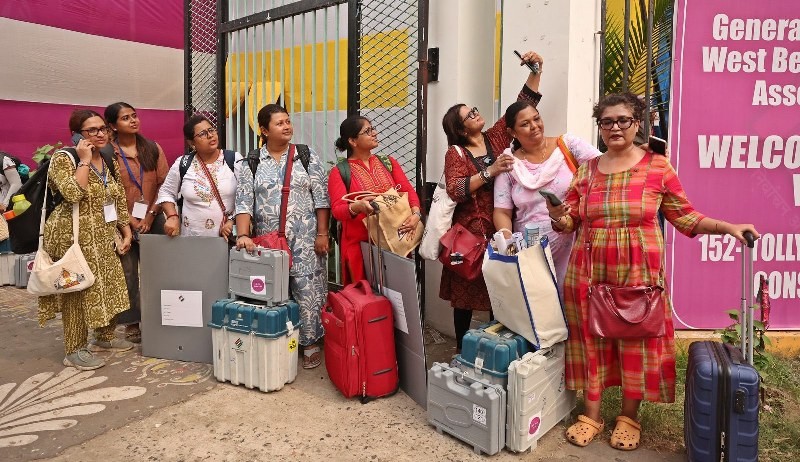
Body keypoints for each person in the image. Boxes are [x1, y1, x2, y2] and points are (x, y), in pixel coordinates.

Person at [547, 92, 760, 451]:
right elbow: (569, 221)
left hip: (637, 274)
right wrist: (559, 216)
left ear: (637, 123)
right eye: (607, 122)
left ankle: (629, 416)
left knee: (635, 342)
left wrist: (728, 227)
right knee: (591, 341)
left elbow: (685, 216)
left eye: (623, 120)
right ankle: (592, 413)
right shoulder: (586, 171)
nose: (614, 127)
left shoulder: (657, 167)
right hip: (588, 274)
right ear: (599, 128)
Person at [439, 50, 543, 354]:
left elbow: (525, 103)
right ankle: (462, 351)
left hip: (500, 229)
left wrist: (536, 69)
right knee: (465, 297)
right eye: (468, 115)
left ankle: (497, 350)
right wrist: (490, 171)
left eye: (474, 109)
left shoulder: (496, 137)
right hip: (469, 235)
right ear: (460, 130)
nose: (475, 114)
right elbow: (456, 189)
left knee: (500, 292)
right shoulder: (455, 154)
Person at [39, 109, 135, 370]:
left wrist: (125, 230)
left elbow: (116, 196)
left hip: (103, 235)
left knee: (109, 285)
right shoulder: (64, 158)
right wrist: (83, 160)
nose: (100, 134)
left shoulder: (106, 156)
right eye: (91, 130)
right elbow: (72, 193)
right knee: (76, 291)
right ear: (76, 135)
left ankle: (103, 337)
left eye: (103, 128)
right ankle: (74, 349)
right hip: (72, 237)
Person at [235, 104, 330, 370]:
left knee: (307, 290)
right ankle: (276, 339)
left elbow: (321, 198)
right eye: (279, 123)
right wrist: (243, 235)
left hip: (306, 240)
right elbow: (244, 203)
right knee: (272, 292)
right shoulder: (250, 163)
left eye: (288, 121)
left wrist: (322, 234)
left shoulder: (307, 156)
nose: (287, 126)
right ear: (264, 130)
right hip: (267, 243)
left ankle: (310, 342)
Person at [493, 101, 601, 285]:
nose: (534, 126)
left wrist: (635, 153)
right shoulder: (509, 164)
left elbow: (606, 165)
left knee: (570, 304)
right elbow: (502, 211)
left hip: (571, 245)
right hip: (530, 254)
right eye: (525, 124)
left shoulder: (568, 146)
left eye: (536, 119)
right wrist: (507, 242)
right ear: (512, 132)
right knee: (538, 306)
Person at [328, 115, 422, 285]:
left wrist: (416, 214)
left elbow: (408, 192)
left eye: (373, 129)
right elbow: (337, 210)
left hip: (394, 242)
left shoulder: (388, 162)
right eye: (368, 131)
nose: (375, 133)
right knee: (367, 301)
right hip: (360, 247)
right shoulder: (340, 171)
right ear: (353, 141)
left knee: (398, 297)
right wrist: (356, 207)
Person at [105, 102, 170, 343]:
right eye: (125, 118)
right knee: (128, 272)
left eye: (134, 116)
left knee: (160, 268)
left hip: (153, 217)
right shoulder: (107, 153)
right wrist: (128, 220)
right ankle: (132, 322)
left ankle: (162, 316)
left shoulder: (152, 148)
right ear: (112, 125)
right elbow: (106, 193)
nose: (133, 121)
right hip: (120, 221)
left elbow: (165, 183)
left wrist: (151, 215)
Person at [157, 115, 241, 239]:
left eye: (211, 130)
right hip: (192, 240)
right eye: (202, 134)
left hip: (227, 238)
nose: (210, 135)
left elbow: (246, 196)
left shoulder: (233, 160)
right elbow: (166, 192)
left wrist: (232, 221)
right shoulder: (183, 163)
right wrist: (172, 216)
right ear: (192, 143)